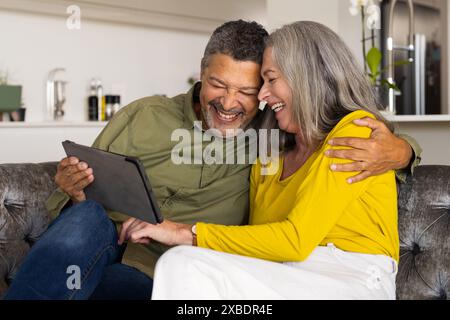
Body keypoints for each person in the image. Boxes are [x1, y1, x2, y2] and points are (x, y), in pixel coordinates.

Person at [4, 20, 419, 300]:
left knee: (162, 271)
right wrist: (75, 191)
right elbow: (74, 203)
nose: (230, 101)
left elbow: (297, 229)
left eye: (253, 88)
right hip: (108, 244)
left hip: (161, 270)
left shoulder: (275, 137)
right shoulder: (150, 116)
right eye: (218, 84)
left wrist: (403, 151)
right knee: (87, 220)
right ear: (201, 75)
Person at [122, 21, 408, 300]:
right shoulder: (271, 149)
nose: (262, 95)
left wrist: (185, 232)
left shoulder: (358, 131)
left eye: (271, 80)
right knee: (182, 262)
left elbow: (295, 239)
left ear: (306, 78)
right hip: (281, 273)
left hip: (350, 278)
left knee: (184, 257)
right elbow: (261, 239)